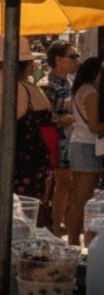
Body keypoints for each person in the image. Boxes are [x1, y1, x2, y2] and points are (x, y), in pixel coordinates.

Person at [0, 36, 55, 227]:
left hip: (22, 169)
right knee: (35, 222)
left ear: (1, 67)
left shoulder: (15, 89)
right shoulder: (33, 88)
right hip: (38, 167)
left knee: (20, 226)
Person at [39, 40, 80, 237]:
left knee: (70, 184)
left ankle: (62, 220)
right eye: (72, 56)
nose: (76, 60)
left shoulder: (69, 82)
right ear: (58, 60)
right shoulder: (47, 85)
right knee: (62, 184)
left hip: (71, 139)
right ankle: (55, 225)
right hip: (58, 141)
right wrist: (66, 119)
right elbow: (46, 119)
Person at [63, 56, 103, 247]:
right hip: (87, 146)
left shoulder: (81, 90)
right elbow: (95, 126)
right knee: (83, 198)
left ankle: (72, 238)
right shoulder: (91, 93)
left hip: (78, 144)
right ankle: (73, 240)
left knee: (78, 197)